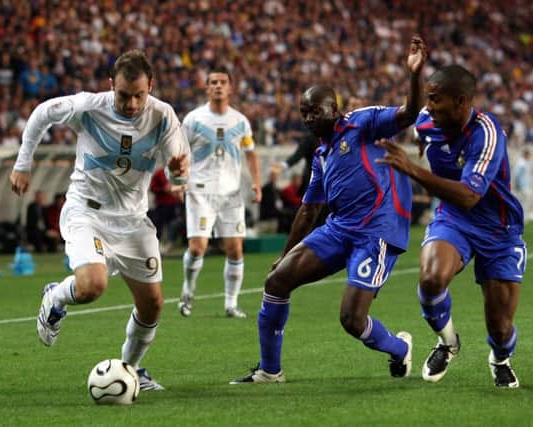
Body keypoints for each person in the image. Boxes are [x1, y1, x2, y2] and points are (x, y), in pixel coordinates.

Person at [230, 36, 427, 384]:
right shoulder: (322, 154)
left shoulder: (362, 123)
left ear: (334, 110)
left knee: (352, 320)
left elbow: (409, 113)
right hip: (339, 229)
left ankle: (399, 348)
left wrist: (414, 75)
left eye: (315, 111)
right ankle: (269, 370)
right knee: (277, 281)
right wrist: (286, 253)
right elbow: (308, 211)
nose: (308, 118)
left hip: (376, 231)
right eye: (303, 112)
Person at [10, 50, 189, 391]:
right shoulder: (89, 106)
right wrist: (23, 162)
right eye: (124, 95)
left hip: (133, 220)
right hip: (86, 211)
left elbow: (177, 167)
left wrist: (178, 174)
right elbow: (41, 114)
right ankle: (57, 296)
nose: (132, 103)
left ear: (151, 86)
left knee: (152, 305)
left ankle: (131, 370)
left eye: (140, 95)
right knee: (93, 285)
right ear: (111, 86)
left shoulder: (164, 116)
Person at [376, 64, 526, 388]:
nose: (428, 106)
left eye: (435, 100)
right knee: (431, 278)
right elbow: (419, 125)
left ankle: (500, 358)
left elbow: (471, 195)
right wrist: (415, 77)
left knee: (500, 329)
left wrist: (414, 171)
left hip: (498, 228)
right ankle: (447, 343)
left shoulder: (486, 132)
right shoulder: (427, 121)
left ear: (460, 102)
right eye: (428, 99)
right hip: (454, 218)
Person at [178, 66, 262, 318]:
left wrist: (256, 183)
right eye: (213, 82)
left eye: (222, 82)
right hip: (199, 191)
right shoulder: (193, 119)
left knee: (235, 248)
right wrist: (179, 179)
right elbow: (180, 151)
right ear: (206, 87)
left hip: (231, 193)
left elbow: (251, 154)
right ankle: (187, 293)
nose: (217, 86)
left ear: (230, 87)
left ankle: (231, 304)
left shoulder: (240, 121)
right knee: (197, 247)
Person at [148, 168, 185, 254]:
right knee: (159, 225)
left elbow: (184, 185)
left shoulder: (179, 172)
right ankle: (157, 245)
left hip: (176, 204)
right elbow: (152, 188)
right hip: (162, 205)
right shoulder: (159, 173)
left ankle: (170, 244)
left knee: (174, 224)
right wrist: (163, 189)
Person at [514, 148, 532, 221]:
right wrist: (519, 185)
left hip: (525, 185)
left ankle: (523, 216)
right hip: (522, 186)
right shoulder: (521, 163)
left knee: (525, 201)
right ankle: (521, 217)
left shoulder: (525, 162)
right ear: (526, 154)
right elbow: (517, 174)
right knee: (522, 202)